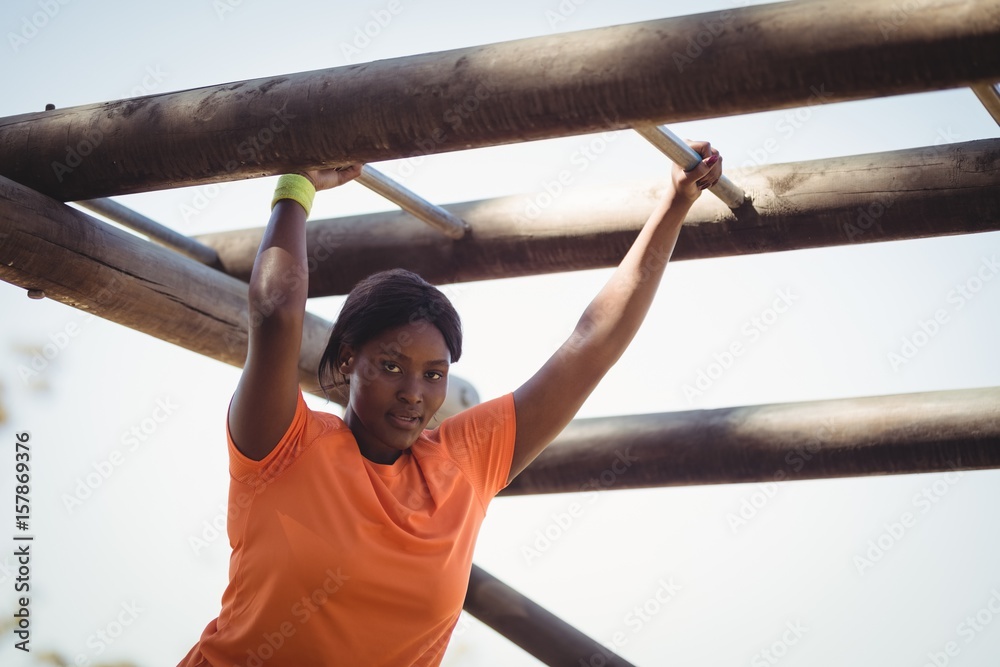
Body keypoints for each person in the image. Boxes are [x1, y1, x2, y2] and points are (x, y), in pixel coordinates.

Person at [179, 141, 722, 666]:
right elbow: (276, 314)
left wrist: (674, 203)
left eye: (434, 374)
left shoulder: (462, 465)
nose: (415, 392)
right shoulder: (284, 445)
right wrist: (296, 186)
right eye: (391, 367)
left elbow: (591, 344)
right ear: (348, 361)